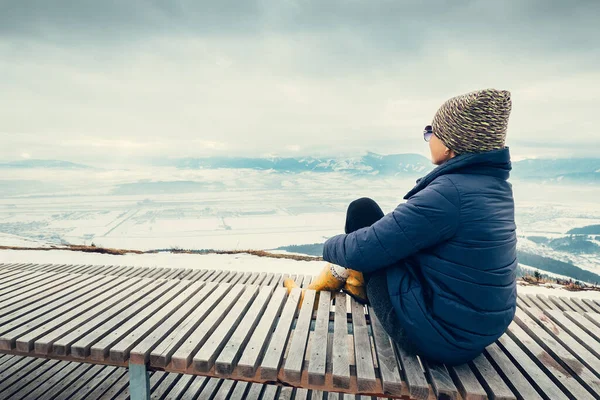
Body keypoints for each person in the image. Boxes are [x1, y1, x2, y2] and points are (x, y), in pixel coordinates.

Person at [284, 88, 517, 366]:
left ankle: (340, 280)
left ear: (450, 144)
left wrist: (329, 250)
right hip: (475, 330)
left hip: (440, 337)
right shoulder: (493, 187)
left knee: (362, 225)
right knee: (366, 210)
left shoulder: (450, 194)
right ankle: (356, 283)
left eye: (432, 132)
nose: (428, 139)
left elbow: (366, 248)